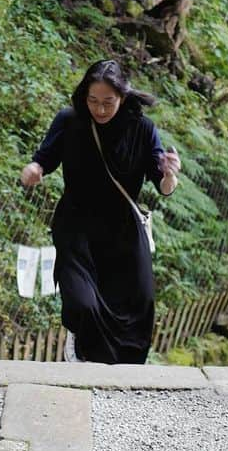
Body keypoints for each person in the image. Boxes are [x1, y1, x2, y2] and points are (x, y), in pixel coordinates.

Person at [20, 59, 181, 364]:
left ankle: (125, 373)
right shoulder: (70, 120)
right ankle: (80, 351)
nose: (101, 109)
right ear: (84, 96)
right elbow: (43, 159)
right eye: (93, 101)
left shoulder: (142, 129)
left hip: (124, 230)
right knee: (83, 303)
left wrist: (170, 175)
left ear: (122, 97)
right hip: (77, 225)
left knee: (140, 303)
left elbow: (163, 185)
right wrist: (32, 170)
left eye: (109, 102)